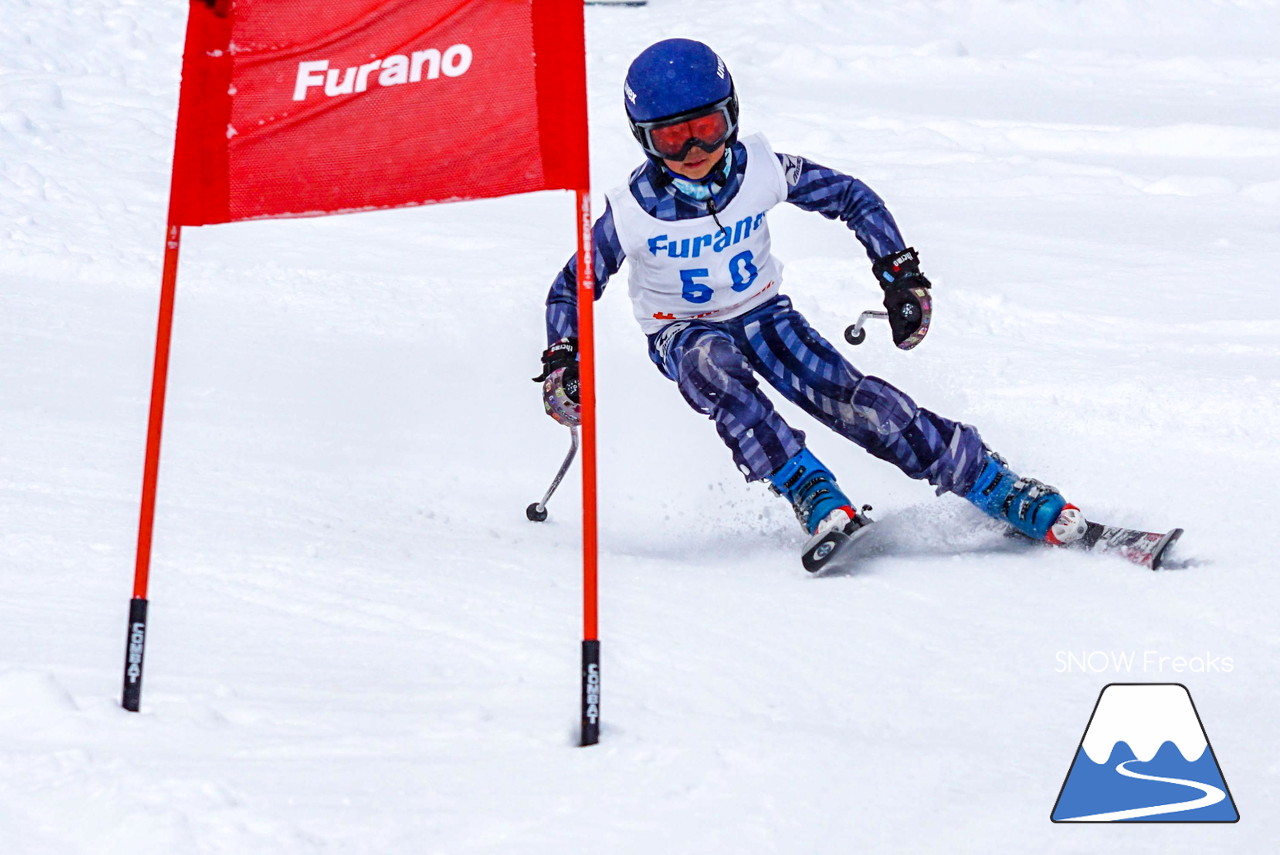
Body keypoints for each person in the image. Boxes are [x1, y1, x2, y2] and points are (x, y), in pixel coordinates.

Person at [533, 38, 1086, 550]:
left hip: (765, 315)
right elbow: (569, 289)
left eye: (707, 125)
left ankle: (993, 483)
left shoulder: (761, 169)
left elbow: (852, 197)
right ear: (643, 138)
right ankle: (810, 489)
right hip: (681, 328)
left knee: (854, 399)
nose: (696, 149)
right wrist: (563, 359)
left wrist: (898, 273)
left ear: (733, 115)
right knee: (712, 366)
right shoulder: (630, 212)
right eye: (672, 138)